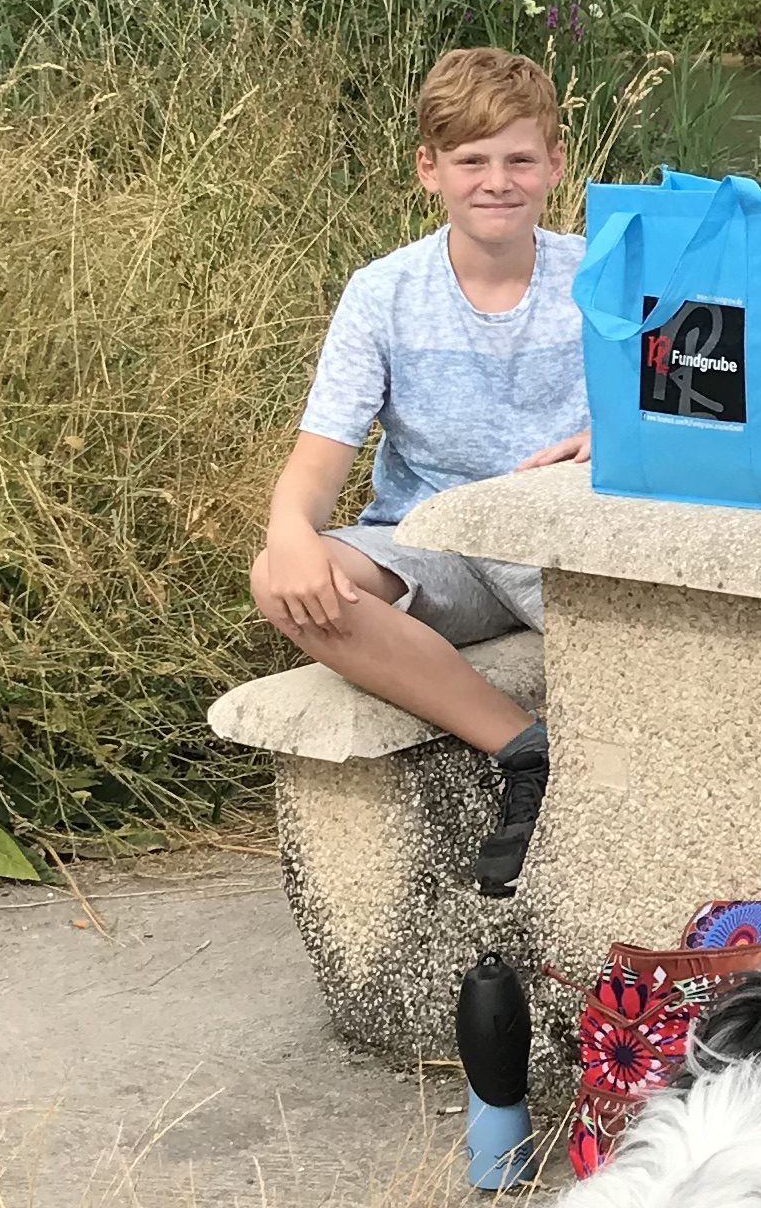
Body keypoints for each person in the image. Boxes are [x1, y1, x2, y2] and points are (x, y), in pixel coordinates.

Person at [252, 46, 588, 890]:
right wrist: (290, 530)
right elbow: (318, 461)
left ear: (554, 162)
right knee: (281, 575)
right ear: (428, 170)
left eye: (518, 159)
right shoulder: (384, 293)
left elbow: (686, 414)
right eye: (471, 161)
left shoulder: (599, 277)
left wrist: (617, 443)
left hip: (566, 545)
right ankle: (523, 751)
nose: (496, 181)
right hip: (434, 543)